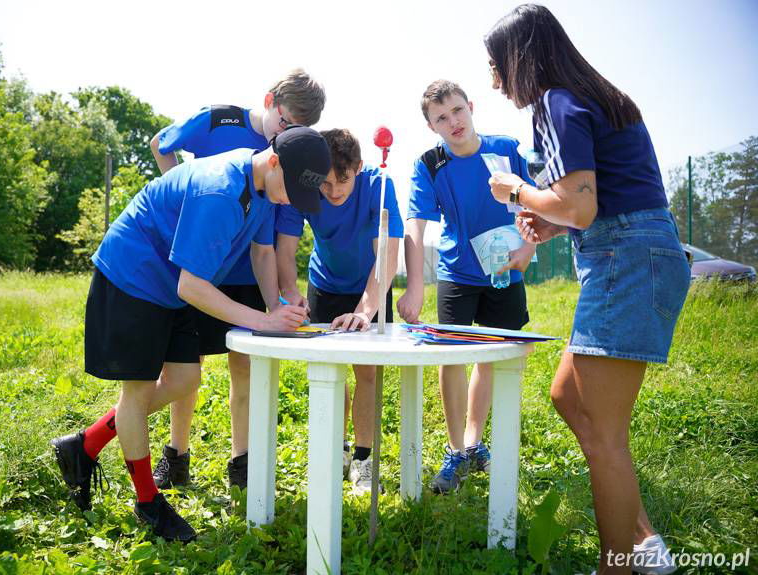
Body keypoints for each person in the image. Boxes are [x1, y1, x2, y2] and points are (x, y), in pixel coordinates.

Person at [50, 126, 330, 542]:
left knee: (184, 379)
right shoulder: (219, 191)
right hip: (134, 275)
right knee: (137, 392)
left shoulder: (264, 187)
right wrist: (263, 321)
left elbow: (262, 252)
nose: (291, 200)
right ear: (273, 161)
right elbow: (192, 287)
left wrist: (275, 306)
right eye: (292, 190)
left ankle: (84, 445)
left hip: (172, 283)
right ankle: (148, 503)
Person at [485, 5, 689, 574]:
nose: (494, 80)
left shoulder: (554, 102)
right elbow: (592, 204)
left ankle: (617, 565)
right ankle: (641, 539)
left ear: (519, 58)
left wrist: (517, 191)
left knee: (604, 434)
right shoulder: (595, 96)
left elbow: (579, 204)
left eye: (496, 65)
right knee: (567, 397)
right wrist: (553, 223)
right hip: (636, 251)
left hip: (626, 261)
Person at [148, 69, 325, 491]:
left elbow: (267, 247)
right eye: (284, 122)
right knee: (186, 363)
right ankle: (176, 455)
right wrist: (183, 207)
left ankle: (242, 463)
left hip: (248, 270)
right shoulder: (217, 120)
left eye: (295, 130)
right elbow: (160, 144)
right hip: (200, 267)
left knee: (243, 365)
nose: (283, 134)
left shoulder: (290, 158)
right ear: (269, 101)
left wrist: (277, 301)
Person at [397, 79, 537, 494]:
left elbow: (535, 201)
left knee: (492, 357)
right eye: (441, 117)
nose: (453, 121)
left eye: (457, 110)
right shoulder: (429, 164)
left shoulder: (507, 149)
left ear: (471, 106)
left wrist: (528, 248)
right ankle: (455, 450)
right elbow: (415, 226)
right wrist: (416, 286)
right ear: (431, 126)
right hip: (457, 273)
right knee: (452, 356)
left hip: (505, 271)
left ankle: (475, 443)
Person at [275, 128, 403, 495]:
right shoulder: (305, 187)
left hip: (371, 286)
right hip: (325, 284)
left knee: (367, 372)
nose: (333, 192)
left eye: (342, 181)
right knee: (330, 371)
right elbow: (285, 249)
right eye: (326, 183)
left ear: (359, 168)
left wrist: (364, 311)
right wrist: (290, 293)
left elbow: (387, 256)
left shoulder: (380, 185)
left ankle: (364, 459)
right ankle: (338, 448)